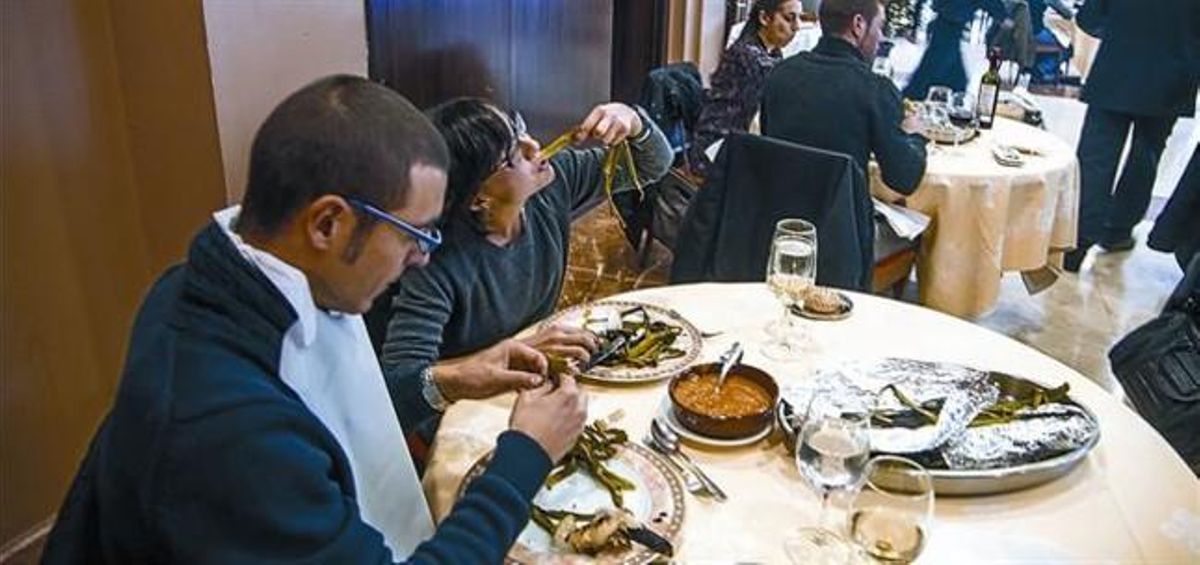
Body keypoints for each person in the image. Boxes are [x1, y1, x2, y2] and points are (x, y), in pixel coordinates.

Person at [42, 75, 588, 563]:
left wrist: (453, 377)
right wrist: (526, 455)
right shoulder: (230, 431)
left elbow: (358, 405)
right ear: (327, 223)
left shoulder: (247, 270)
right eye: (415, 235)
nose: (422, 257)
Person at [366, 98, 670, 438]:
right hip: (471, 412)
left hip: (536, 379)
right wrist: (507, 356)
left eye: (520, 132)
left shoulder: (551, 187)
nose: (533, 146)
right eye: (511, 157)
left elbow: (651, 165)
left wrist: (634, 120)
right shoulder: (438, 264)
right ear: (478, 197)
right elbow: (401, 383)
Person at [1064, 0, 1199, 272]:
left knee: (1096, 156)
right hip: (1175, 72)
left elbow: (1090, 18)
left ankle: (1078, 243)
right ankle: (1118, 230)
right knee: (1147, 154)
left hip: (1117, 64)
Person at [764, 0, 928, 195]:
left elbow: (770, 142)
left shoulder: (780, 74)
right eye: (880, 26)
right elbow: (904, 180)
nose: (881, 37)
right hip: (843, 220)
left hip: (780, 216)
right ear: (858, 24)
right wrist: (914, 135)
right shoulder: (875, 89)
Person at [686, 0, 802, 177]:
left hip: (737, 144)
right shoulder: (748, 56)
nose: (797, 27)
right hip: (716, 149)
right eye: (789, 18)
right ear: (764, 18)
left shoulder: (772, 53)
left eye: (799, 19)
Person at [903, 0, 1012, 100]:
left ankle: (916, 95)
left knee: (943, 67)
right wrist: (1001, 16)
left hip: (950, 18)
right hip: (952, 17)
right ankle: (913, 96)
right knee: (937, 67)